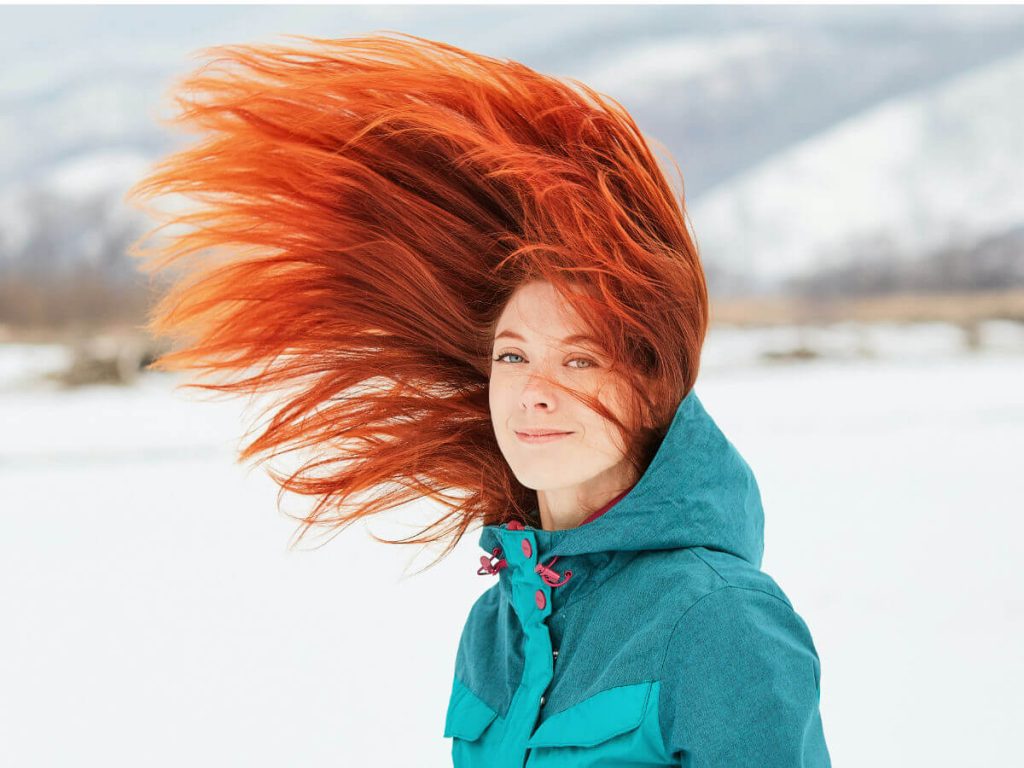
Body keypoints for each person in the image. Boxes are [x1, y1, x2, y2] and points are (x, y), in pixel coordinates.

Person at [127, 31, 831, 766]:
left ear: (653, 389)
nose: (535, 391)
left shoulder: (718, 620)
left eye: (581, 359)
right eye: (514, 355)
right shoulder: (498, 627)